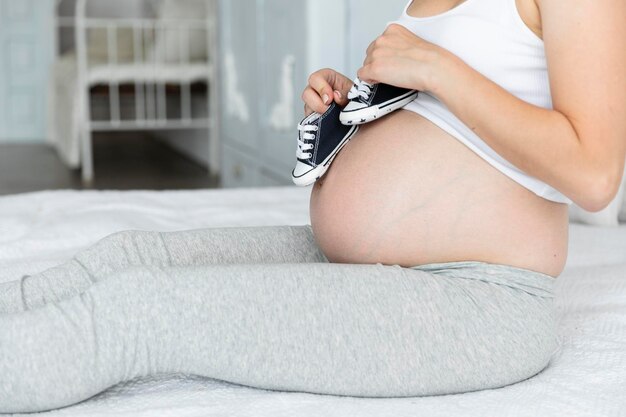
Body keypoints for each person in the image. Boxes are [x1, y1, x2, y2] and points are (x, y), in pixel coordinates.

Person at [0, 0, 624, 413]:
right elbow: (453, 124)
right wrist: (354, 105)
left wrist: (438, 70)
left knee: (137, 312)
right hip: (388, 267)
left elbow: (595, 173)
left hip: (482, 297)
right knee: (130, 256)